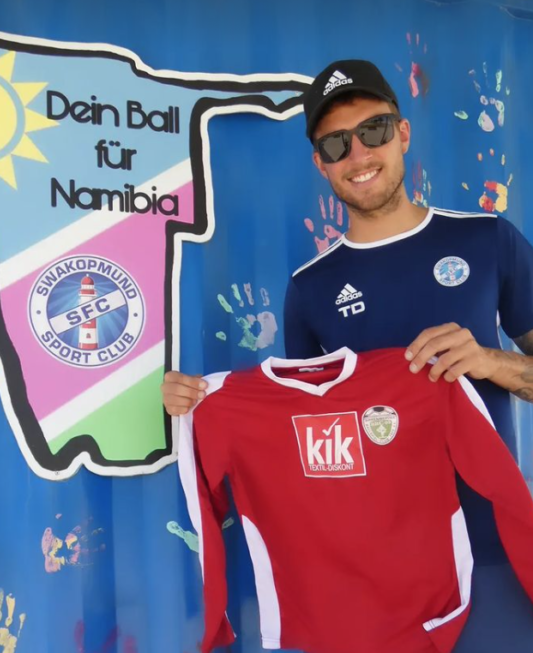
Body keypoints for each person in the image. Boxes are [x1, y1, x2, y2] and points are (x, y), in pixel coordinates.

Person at [162, 59, 533, 652]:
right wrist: (200, 403)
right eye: (336, 143)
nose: (358, 154)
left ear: (403, 132)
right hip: (373, 582)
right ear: (321, 163)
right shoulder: (310, 289)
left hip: (493, 556)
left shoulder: (487, 240)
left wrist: (492, 362)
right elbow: (307, 439)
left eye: (374, 130)